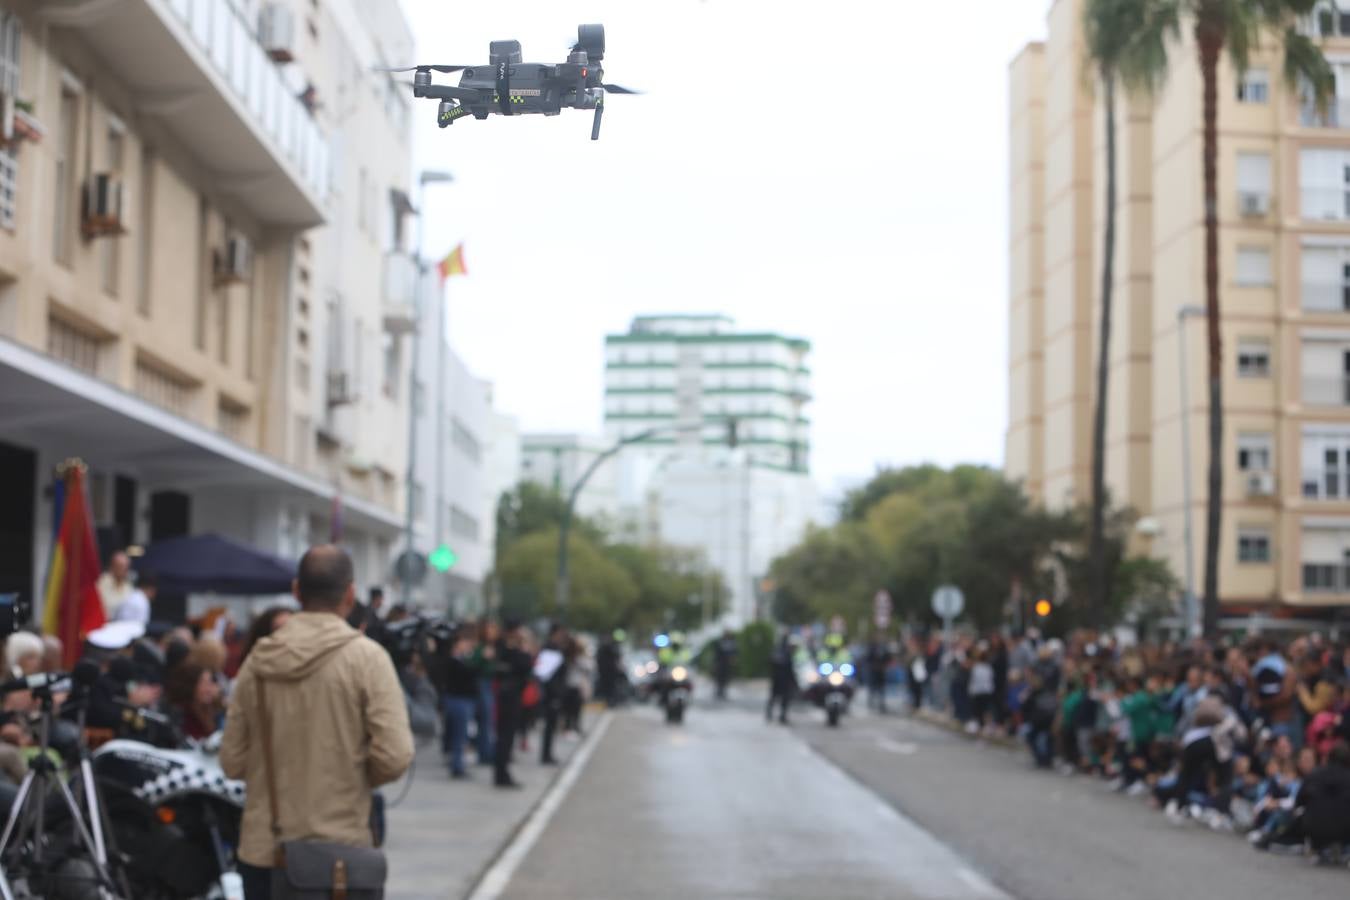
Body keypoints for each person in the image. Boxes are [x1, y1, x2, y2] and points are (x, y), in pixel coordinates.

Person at [220, 545, 413, 900]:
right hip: (340, 855)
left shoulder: (258, 662)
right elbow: (395, 755)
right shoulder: (368, 659)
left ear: (296, 591)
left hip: (266, 851)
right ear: (351, 594)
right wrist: (349, 773)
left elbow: (231, 762)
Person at [492, 620, 533, 789]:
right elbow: (525, 666)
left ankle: (502, 772)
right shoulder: (509, 650)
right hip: (509, 696)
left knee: (506, 736)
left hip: (507, 694)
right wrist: (524, 646)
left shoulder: (503, 648)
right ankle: (501, 774)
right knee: (505, 736)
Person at [537, 624, 569, 766]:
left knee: (552, 725)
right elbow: (545, 674)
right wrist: (554, 693)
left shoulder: (556, 649)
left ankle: (547, 753)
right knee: (549, 725)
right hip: (551, 693)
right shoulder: (550, 649)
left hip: (555, 691)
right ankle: (546, 754)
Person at [167, 661, 223, 741]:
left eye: (210, 682)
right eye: (204, 683)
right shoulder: (178, 713)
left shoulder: (210, 710)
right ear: (190, 685)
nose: (209, 689)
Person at [767, 635, 797, 726]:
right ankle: (781, 715)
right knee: (784, 698)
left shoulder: (776, 651)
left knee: (774, 697)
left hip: (776, 678)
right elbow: (790, 668)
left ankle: (770, 714)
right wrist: (794, 681)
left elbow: (770, 663)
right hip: (784, 680)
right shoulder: (787, 653)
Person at [96, 550, 134, 620]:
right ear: (112, 566)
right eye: (120, 566)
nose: (124, 570)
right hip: (104, 624)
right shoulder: (101, 582)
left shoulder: (129, 586)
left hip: (123, 625)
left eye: (126, 567)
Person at [713, 630, 738, 701]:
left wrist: (733, 659)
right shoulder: (720, 642)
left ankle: (724, 690)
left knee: (726, 677)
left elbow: (735, 652)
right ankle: (719, 690)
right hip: (720, 663)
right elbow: (717, 652)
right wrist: (716, 662)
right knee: (719, 677)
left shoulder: (732, 642)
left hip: (728, 663)